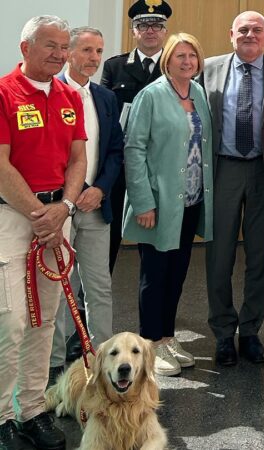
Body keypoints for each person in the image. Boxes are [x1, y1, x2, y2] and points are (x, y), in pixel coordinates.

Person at [0, 15, 86, 450]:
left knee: (44, 320)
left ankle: (32, 409)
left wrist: (64, 209)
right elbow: (0, 166)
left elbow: (77, 160)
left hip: (57, 216)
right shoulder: (3, 92)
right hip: (14, 219)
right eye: (49, 45)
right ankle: (2, 418)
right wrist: (42, 215)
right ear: (25, 48)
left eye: (63, 46)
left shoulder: (70, 96)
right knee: (10, 320)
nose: (59, 53)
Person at [200, 11, 264, 366]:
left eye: (257, 30)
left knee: (258, 257)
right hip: (223, 170)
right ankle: (224, 333)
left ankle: (250, 330)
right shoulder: (207, 68)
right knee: (219, 256)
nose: (250, 35)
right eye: (243, 30)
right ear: (231, 34)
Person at [123, 32, 213, 377]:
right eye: (180, 56)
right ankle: (149, 343)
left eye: (192, 55)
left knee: (176, 274)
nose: (187, 61)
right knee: (154, 275)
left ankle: (167, 337)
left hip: (189, 202)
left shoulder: (198, 92)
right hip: (158, 204)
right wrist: (144, 202)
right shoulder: (151, 95)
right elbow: (134, 149)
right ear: (167, 60)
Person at [50, 26, 124, 382]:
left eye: (99, 51)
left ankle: (103, 357)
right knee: (58, 287)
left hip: (95, 206)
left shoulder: (106, 98)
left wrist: (101, 189)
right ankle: (53, 364)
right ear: (68, 53)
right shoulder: (50, 94)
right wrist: (65, 197)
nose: (94, 58)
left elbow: (114, 151)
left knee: (98, 285)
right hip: (58, 209)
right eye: (86, 50)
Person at [101, 0, 172, 275]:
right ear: (133, 30)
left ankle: (155, 312)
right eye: (143, 25)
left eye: (157, 25)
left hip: (160, 166)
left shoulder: (177, 66)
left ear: (165, 31)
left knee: (154, 245)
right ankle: (87, 309)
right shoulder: (115, 67)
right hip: (122, 164)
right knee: (108, 237)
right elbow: (107, 118)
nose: (151, 30)